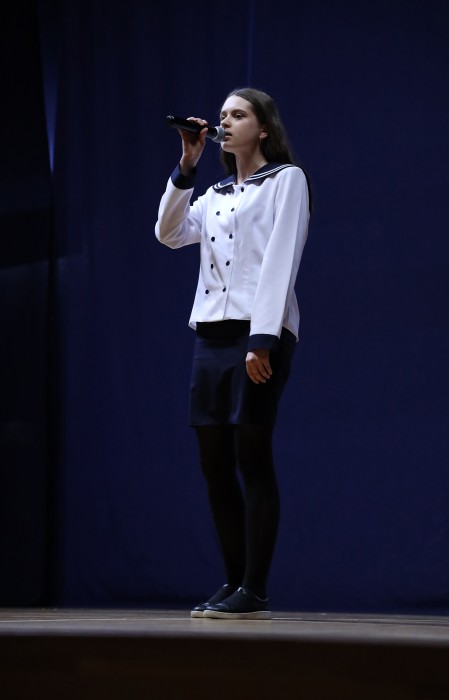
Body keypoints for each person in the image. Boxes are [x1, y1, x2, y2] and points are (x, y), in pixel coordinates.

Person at [155, 87, 311, 619]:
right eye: (222, 115)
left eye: (238, 114)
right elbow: (169, 232)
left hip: (256, 333)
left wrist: (262, 338)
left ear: (262, 128)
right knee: (213, 462)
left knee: (251, 454)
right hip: (211, 335)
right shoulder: (215, 193)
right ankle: (232, 582)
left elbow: (282, 257)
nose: (226, 122)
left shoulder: (286, 180)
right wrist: (187, 166)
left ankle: (255, 588)